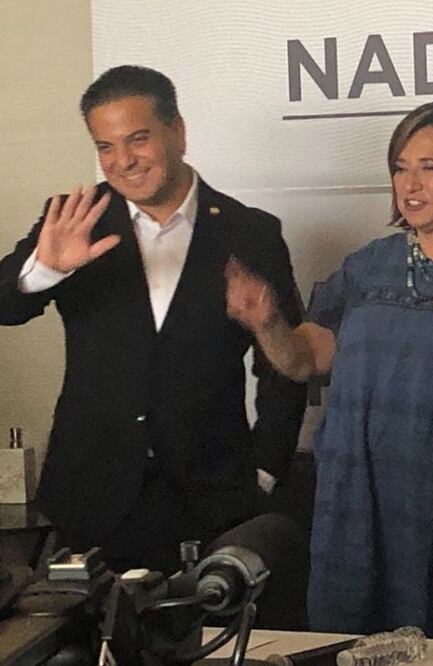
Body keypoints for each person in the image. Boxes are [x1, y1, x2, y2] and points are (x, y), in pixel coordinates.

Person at [225, 100, 433, 636]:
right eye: (400, 167)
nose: (411, 183)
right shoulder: (368, 265)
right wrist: (267, 325)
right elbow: (304, 359)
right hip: (352, 513)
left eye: (429, 168)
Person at [0, 65, 306, 574]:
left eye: (138, 140)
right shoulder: (75, 218)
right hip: (89, 500)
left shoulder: (249, 232)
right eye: (105, 147)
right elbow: (4, 307)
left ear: (178, 133)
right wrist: (46, 270)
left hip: (212, 502)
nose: (122, 162)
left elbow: (284, 364)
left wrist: (265, 470)